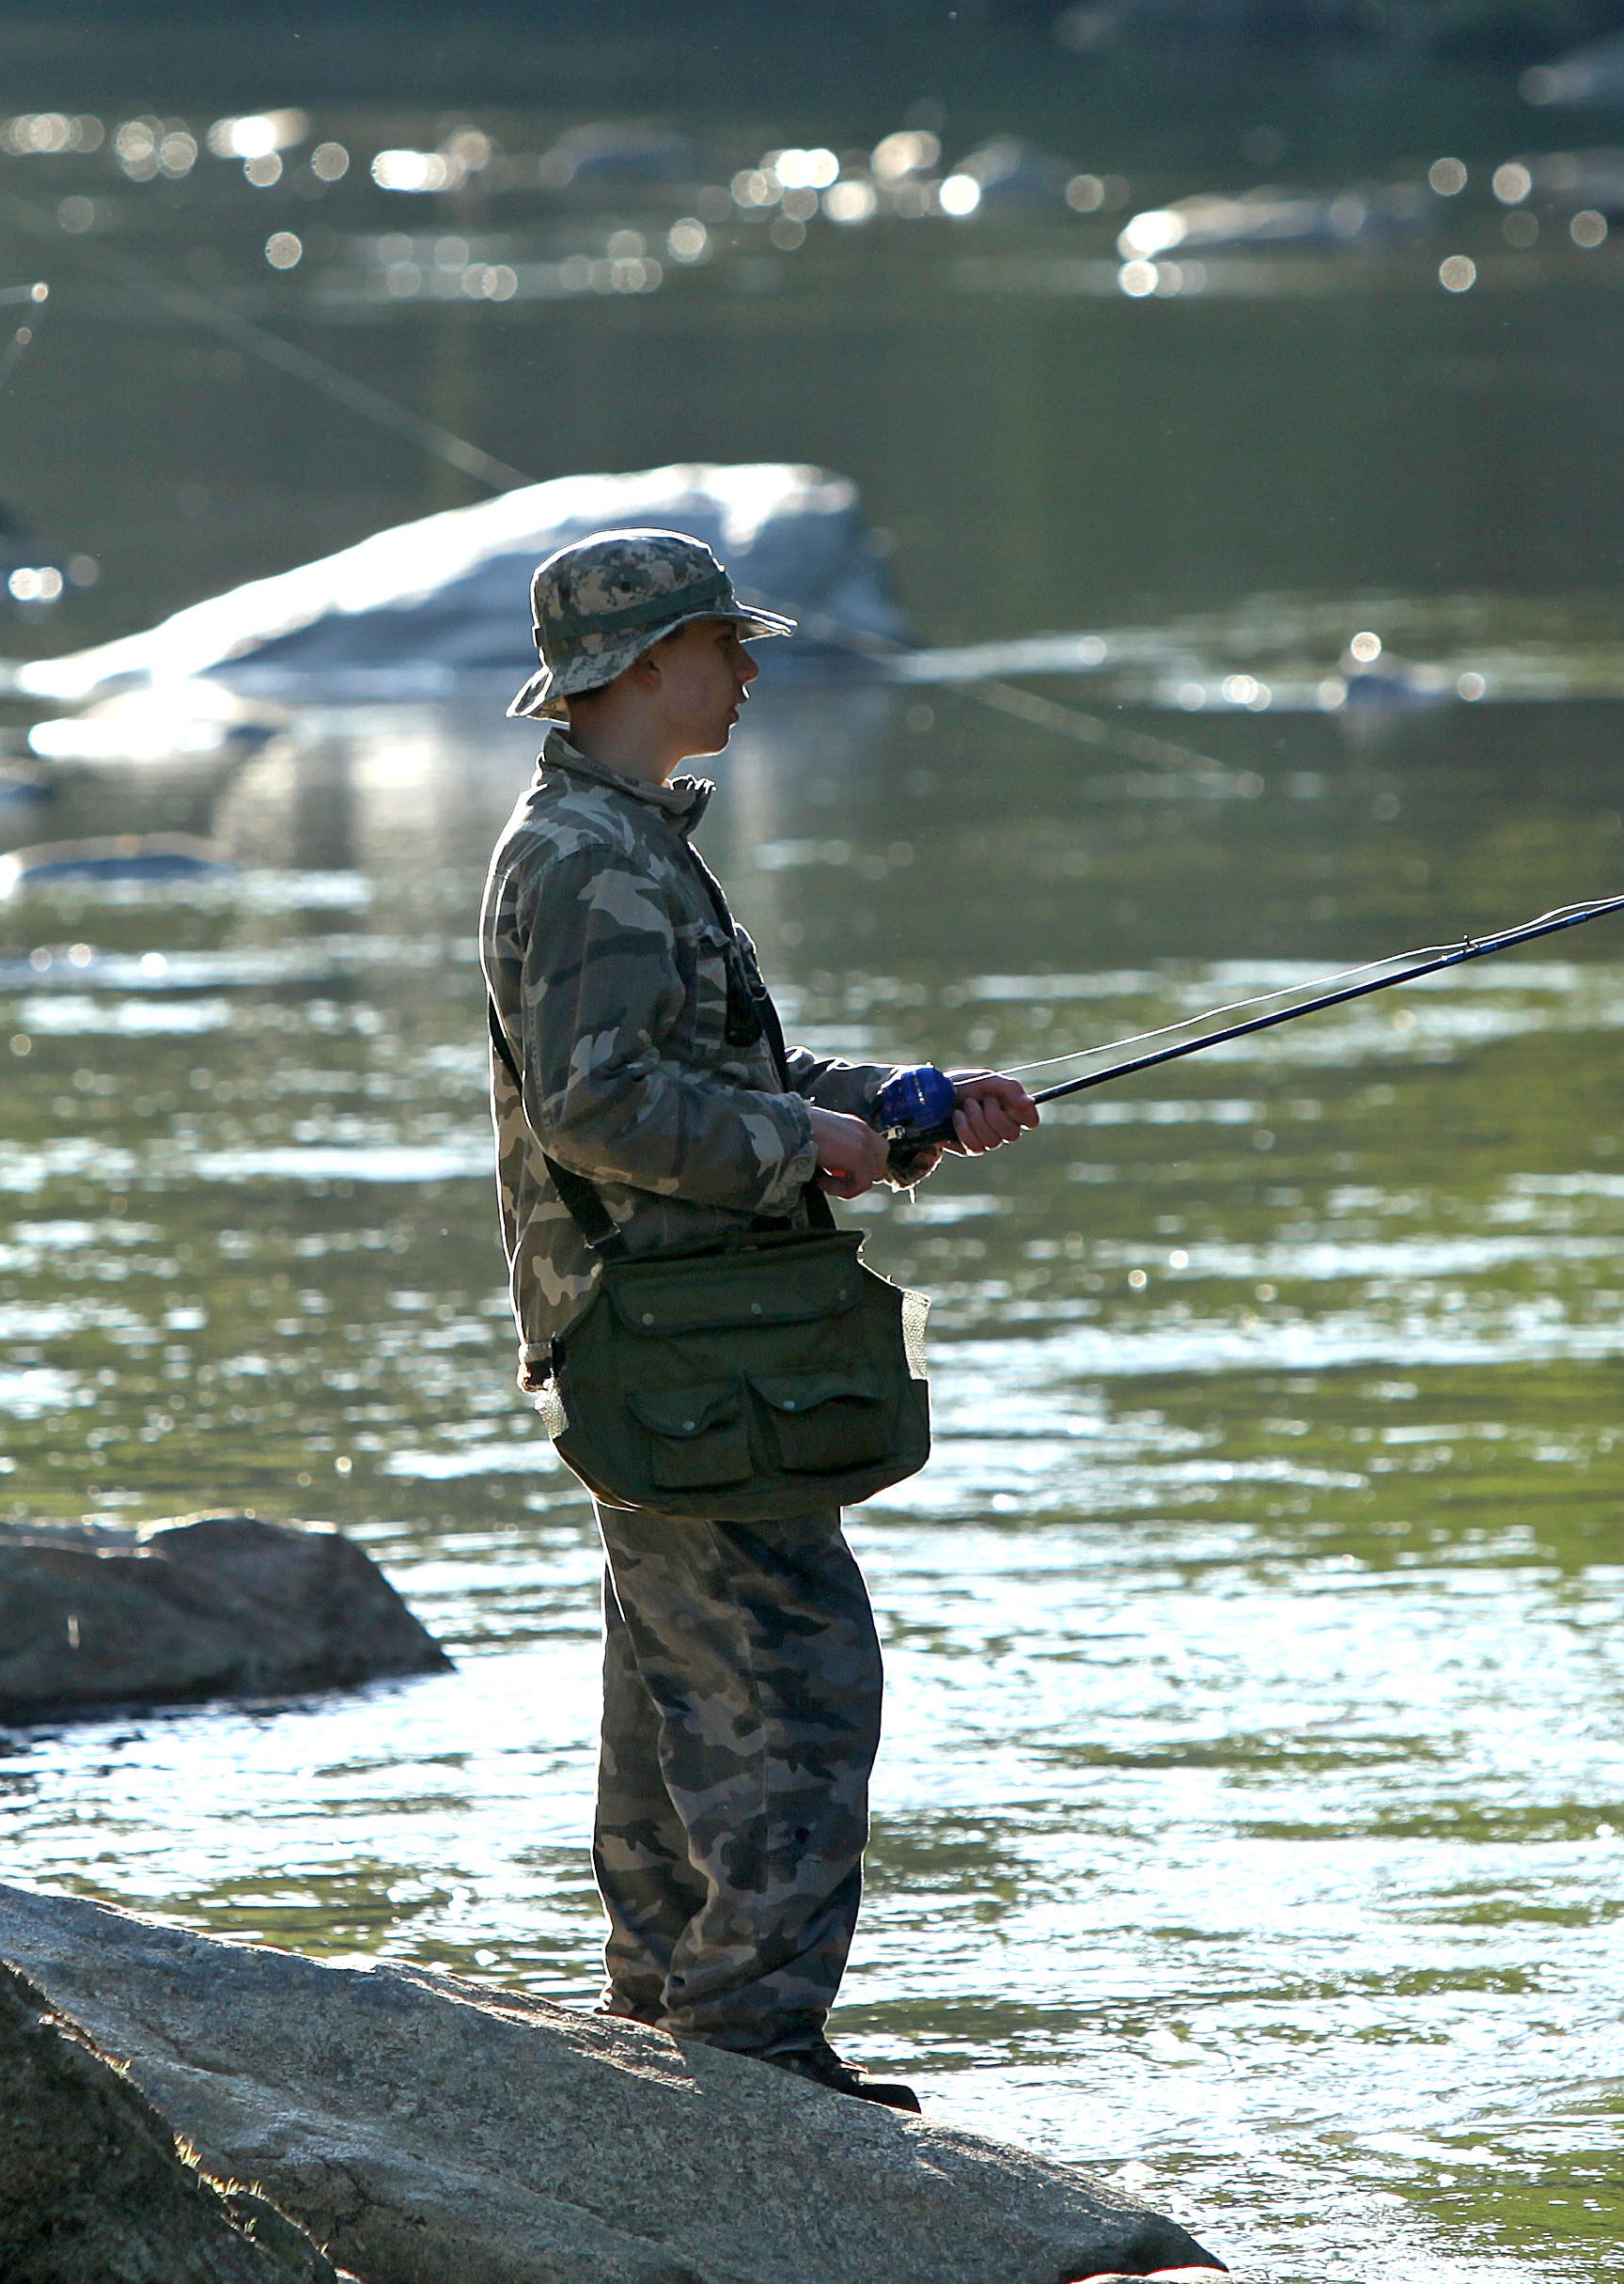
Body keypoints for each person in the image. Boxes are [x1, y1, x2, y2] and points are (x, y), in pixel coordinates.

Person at [476, 528, 1040, 2113]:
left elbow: (708, 1077)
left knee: (674, 1680)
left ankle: (666, 2018)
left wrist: (904, 1106)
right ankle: (748, 2054)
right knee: (796, 1677)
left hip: (669, 1342)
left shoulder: (619, 837)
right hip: (670, 1346)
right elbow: (599, 1105)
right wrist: (805, 1145)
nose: (748, 667)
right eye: (726, 643)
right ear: (643, 666)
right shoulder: (584, 856)